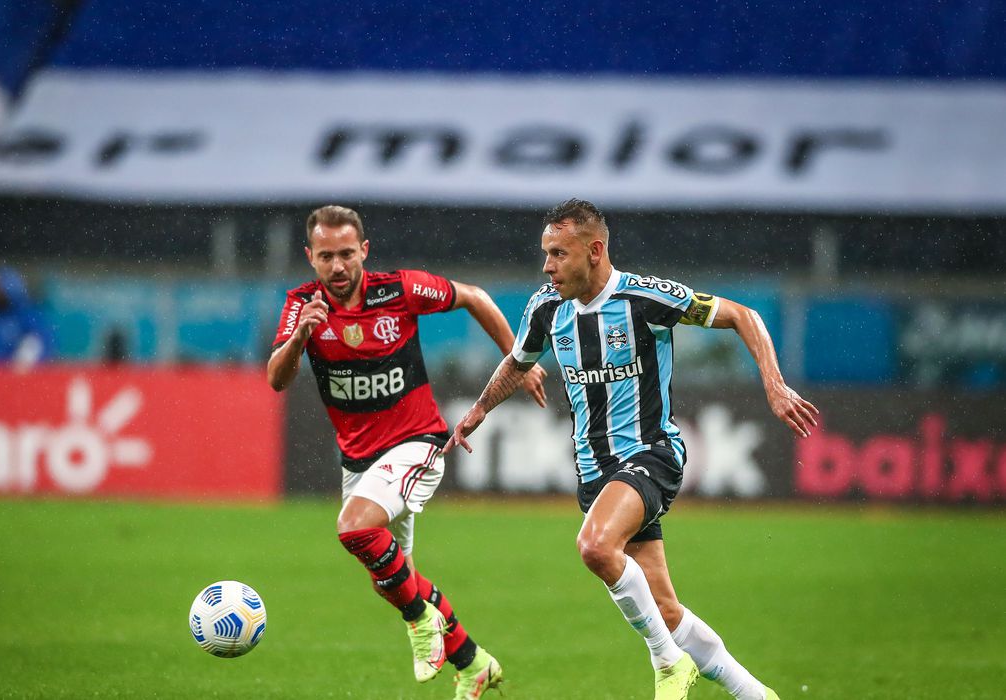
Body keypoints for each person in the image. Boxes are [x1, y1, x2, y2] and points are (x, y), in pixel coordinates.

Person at [444, 199, 818, 700]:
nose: (547, 265)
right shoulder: (546, 308)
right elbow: (518, 361)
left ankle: (667, 664)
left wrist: (773, 384)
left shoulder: (645, 297)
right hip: (595, 472)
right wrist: (480, 409)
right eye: (545, 253)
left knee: (595, 546)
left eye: (558, 253)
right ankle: (756, 695)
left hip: (650, 453)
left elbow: (743, 316)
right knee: (664, 610)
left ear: (594, 251)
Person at [268, 205, 546, 699]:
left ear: (364, 252)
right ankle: (473, 662)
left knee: (354, 528)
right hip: (360, 460)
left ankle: (420, 623)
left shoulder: (399, 289)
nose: (338, 267)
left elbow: (475, 297)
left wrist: (517, 362)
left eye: (347, 254)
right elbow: (277, 379)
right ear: (310, 257)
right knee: (395, 578)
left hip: (418, 443)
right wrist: (299, 339)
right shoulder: (302, 305)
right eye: (326, 256)